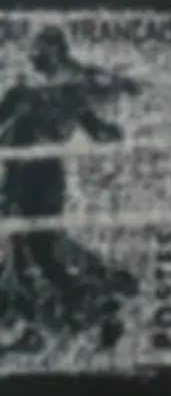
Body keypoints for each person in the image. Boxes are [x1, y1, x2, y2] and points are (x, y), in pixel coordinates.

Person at [0, 27, 142, 355]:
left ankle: (88, 299)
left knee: (31, 245)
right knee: (36, 245)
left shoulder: (37, 95)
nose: (36, 59)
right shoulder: (53, 96)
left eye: (41, 53)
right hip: (38, 175)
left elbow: (98, 130)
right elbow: (100, 131)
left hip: (31, 176)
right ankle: (95, 294)